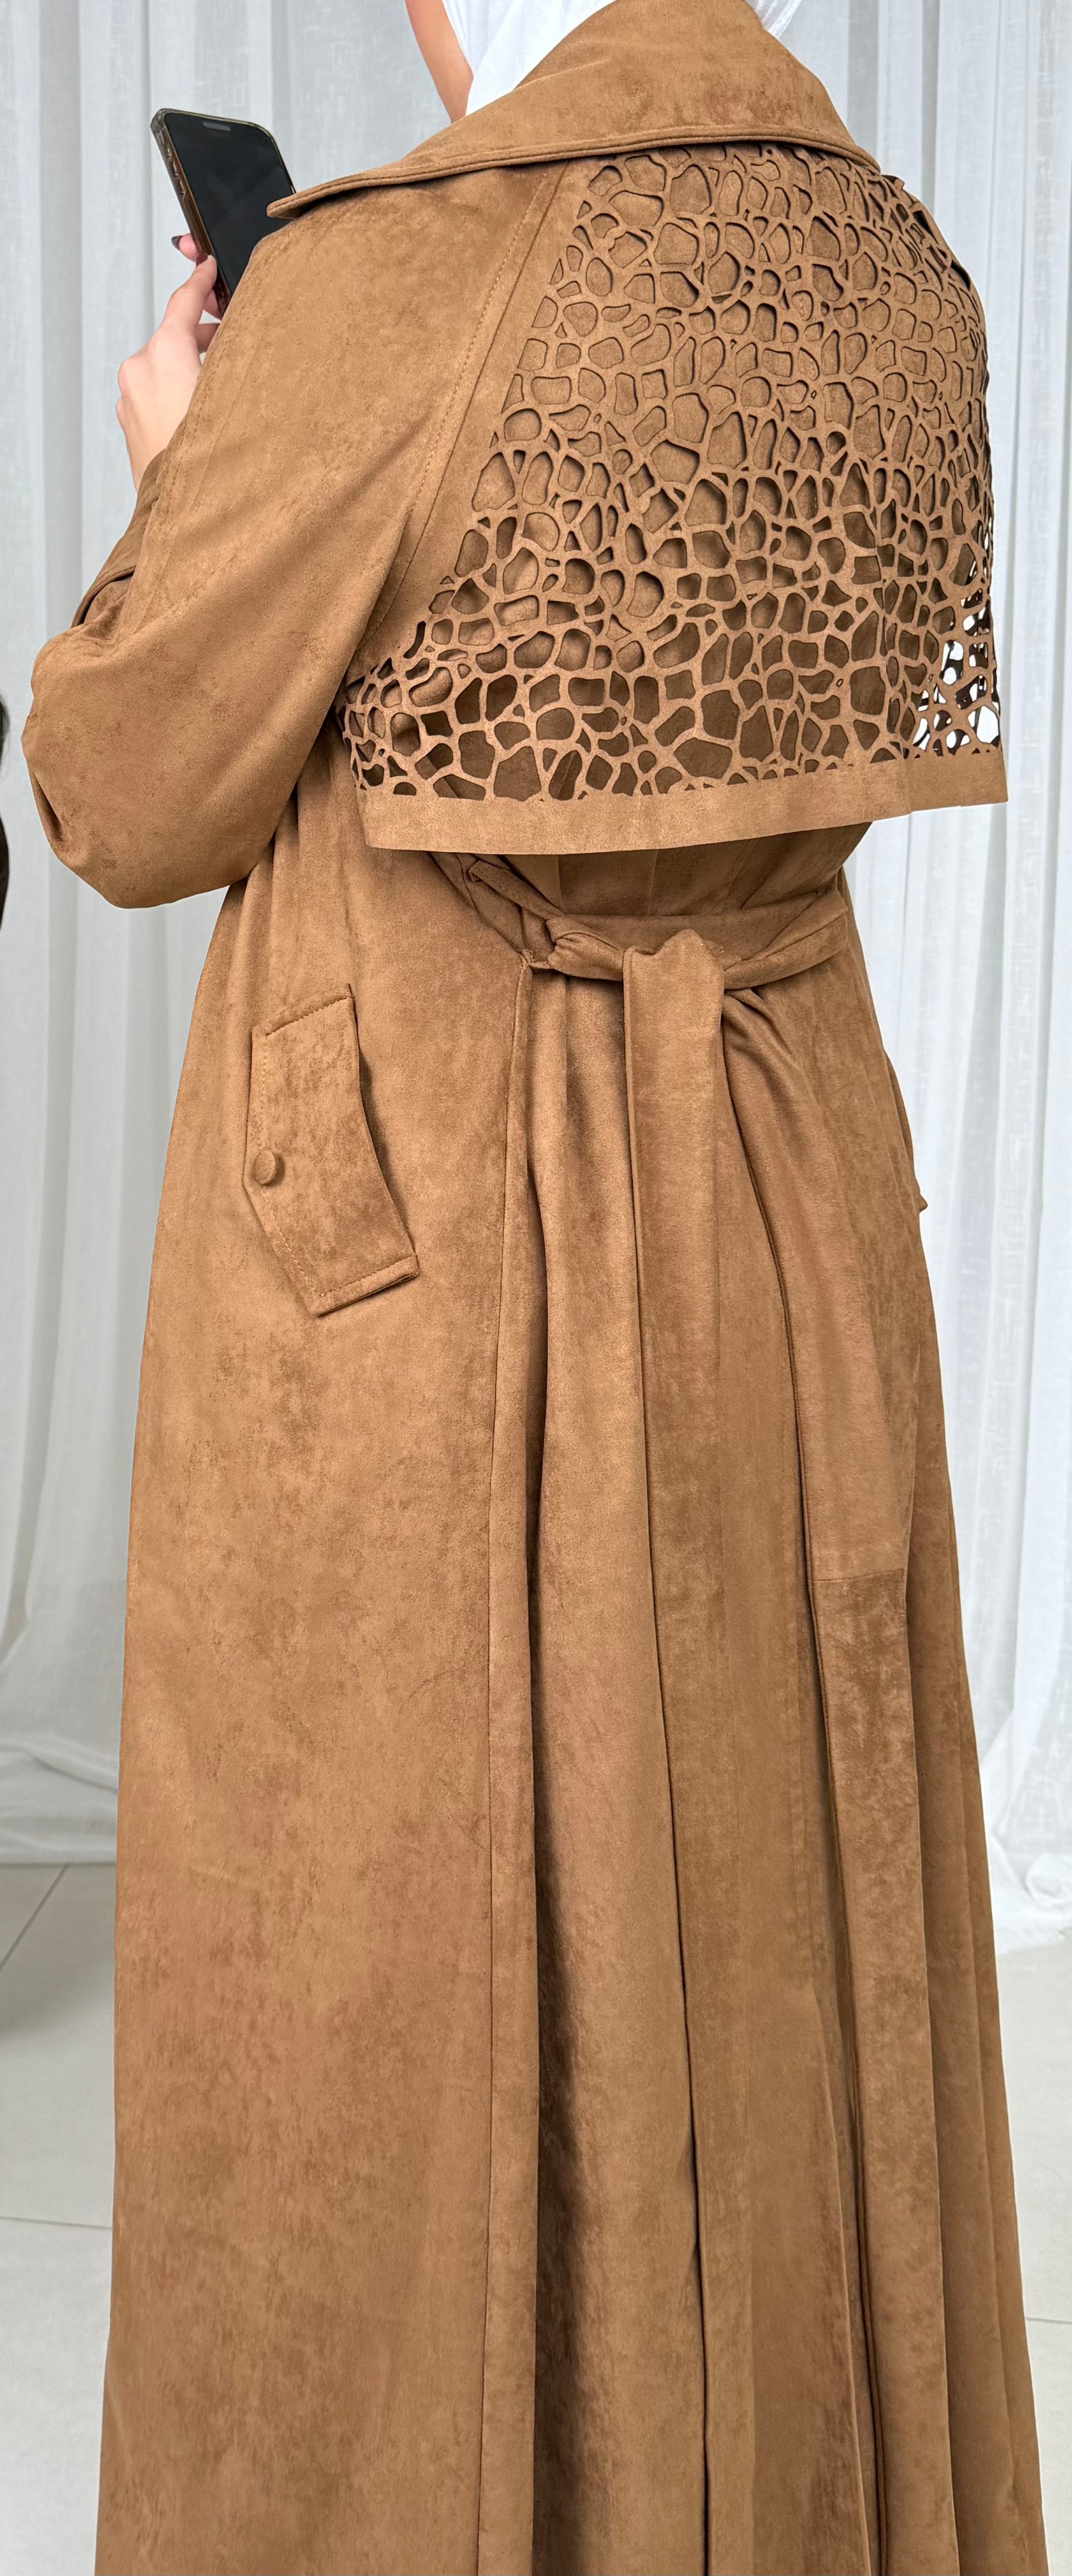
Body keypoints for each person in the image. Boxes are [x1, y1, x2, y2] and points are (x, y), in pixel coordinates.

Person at [24, 1, 1048, 2570]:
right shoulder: (890, 263)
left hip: (436, 1240)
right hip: (788, 1206)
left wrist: (179, 462)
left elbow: (127, 785)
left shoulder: (386, 283)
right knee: (778, 1903)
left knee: (382, 1962)